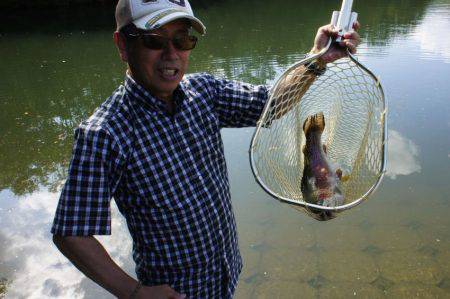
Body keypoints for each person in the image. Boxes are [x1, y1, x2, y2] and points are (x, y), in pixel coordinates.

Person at [51, 0, 360, 298]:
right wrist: (134, 292)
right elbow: (71, 232)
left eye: (183, 40)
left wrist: (318, 57)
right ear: (122, 45)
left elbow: (272, 102)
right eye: (154, 41)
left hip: (225, 275)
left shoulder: (204, 92)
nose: (171, 55)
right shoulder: (105, 133)